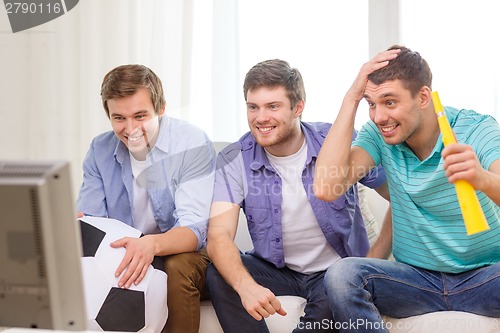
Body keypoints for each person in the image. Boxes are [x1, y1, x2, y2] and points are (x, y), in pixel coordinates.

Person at [314, 45, 500, 333]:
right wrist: (351, 98)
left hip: (484, 278)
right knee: (342, 275)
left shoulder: (475, 128)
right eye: (370, 104)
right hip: (414, 282)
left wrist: (482, 178)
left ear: (423, 97)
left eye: (390, 102)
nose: (378, 117)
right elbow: (326, 187)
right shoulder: (377, 135)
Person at [205, 59, 390, 333]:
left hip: (335, 272)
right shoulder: (235, 159)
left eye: (272, 106)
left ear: (298, 107)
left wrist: (372, 262)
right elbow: (218, 235)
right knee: (218, 272)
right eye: (253, 107)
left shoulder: (338, 141)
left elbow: (399, 197)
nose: (260, 118)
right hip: (276, 269)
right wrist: (246, 287)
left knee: (337, 288)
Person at [77, 64, 215, 333]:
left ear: (161, 108)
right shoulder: (99, 149)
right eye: (119, 118)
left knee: (176, 267)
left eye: (140, 116)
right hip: (127, 252)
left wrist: (151, 245)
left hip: (187, 254)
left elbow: (194, 231)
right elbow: (94, 222)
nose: (130, 129)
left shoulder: (191, 142)